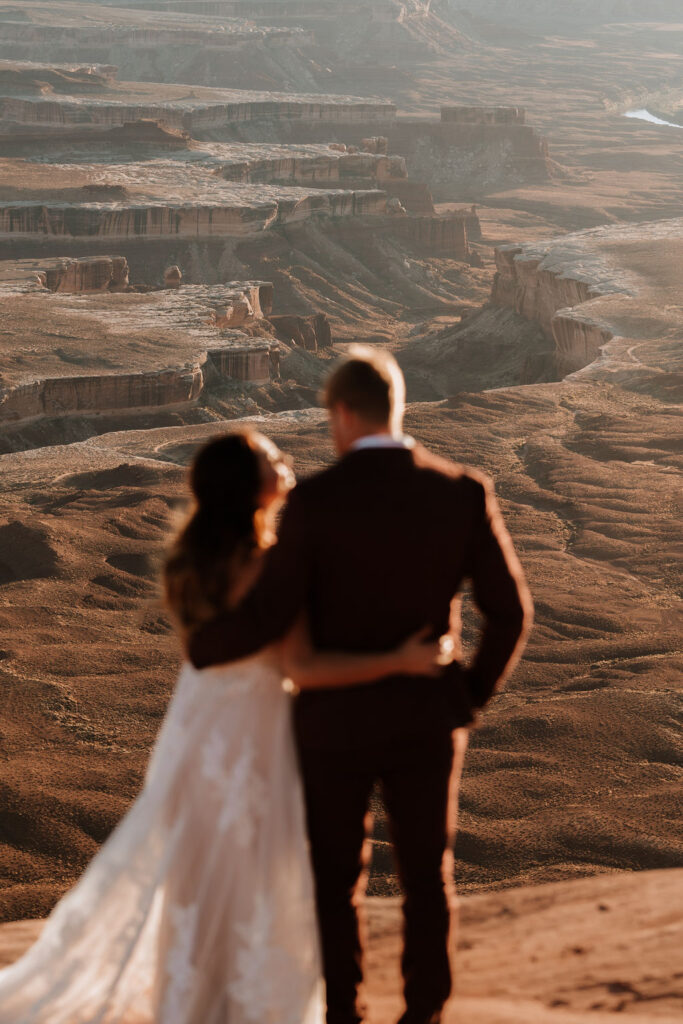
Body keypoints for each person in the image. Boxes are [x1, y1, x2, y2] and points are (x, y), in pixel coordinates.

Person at [0, 431, 444, 1024]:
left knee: (201, 871)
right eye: (271, 457)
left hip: (197, 727)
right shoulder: (268, 566)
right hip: (252, 734)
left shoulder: (198, 560)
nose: (286, 459)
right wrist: (401, 660)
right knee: (255, 872)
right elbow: (303, 667)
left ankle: (193, 1001)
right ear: (249, 486)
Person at [189, 347, 534, 1024]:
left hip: (330, 726)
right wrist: (464, 697)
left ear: (343, 413)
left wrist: (204, 646)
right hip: (425, 719)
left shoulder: (315, 501)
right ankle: (423, 1014)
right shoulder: (462, 490)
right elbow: (511, 610)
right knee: (426, 879)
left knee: (333, 883)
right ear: (395, 406)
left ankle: (343, 1013)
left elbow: (271, 613)